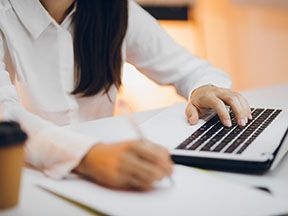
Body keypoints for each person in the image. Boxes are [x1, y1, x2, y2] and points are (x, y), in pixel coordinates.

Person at [0, 0, 251, 190]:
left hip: (108, 177)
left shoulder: (115, 9)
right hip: (23, 180)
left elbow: (192, 69)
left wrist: (203, 88)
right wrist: (88, 156)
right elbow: (6, 116)